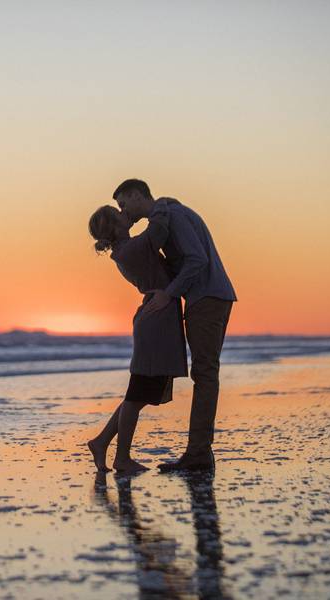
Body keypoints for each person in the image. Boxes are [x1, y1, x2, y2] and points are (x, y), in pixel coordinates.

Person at [113, 179, 236, 472]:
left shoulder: (173, 215)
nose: (123, 211)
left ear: (136, 195)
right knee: (205, 374)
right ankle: (199, 452)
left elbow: (196, 259)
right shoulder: (166, 215)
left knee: (205, 374)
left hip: (206, 297)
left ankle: (198, 454)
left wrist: (169, 293)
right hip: (208, 296)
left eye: (123, 204)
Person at [86, 205, 188, 475]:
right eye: (118, 213)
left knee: (140, 393)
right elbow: (159, 229)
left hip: (157, 318)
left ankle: (101, 442)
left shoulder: (127, 248)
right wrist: (158, 206)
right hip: (155, 321)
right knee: (136, 395)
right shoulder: (130, 249)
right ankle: (121, 458)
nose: (124, 213)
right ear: (114, 226)